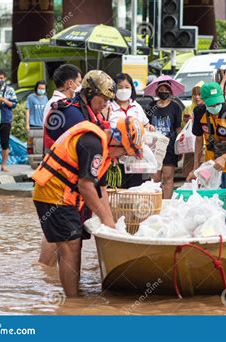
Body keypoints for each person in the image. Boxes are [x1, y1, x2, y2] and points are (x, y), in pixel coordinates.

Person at [32, 117, 145, 296]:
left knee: (75, 243)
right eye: (124, 152)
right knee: (71, 244)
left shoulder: (104, 151)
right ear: (116, 140)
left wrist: (112, 225)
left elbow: (101, 190)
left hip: (66, 197)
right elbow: (85, 185)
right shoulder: (93, 145)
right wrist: (106, 220)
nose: (122, 156)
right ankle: (72, 302)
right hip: (53, 195)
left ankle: (74, 293)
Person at [39, 70, 114, 268]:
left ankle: (57, 281)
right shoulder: (71, 113)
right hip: (57, 186)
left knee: (72, 238)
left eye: (108, 100)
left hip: (71, 187)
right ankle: (46, 275)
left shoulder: (87, 114)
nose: (106, 103)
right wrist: (106, 218)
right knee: (64, 237)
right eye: (103, 98)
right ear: (90, 93)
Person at [187, 82, 226, 188]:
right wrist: (196, 166)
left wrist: (224, 158)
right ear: (203, 100)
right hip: (211, 166)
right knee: (211, 200)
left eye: (218, 103)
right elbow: (198, 138)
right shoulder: (199, 112)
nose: (215, 107)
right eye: (211, 104)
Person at [109, 73, 154, 189]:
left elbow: (146, 124)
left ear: (132, 89)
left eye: (127, 87)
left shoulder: (136, 106)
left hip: (136, 158)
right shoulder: (108, 107)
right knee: (118, 191)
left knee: (136, 189)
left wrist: (149, 127)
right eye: (120, 87)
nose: (123, 90)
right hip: (116, 158)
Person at [147, 82, 182, 199]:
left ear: (171, 92)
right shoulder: (152, 106)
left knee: (168, 177)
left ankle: (166, 204)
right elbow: (146, 124)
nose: (164, 92)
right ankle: (155, 203)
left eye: (166, 90)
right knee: (155, 178)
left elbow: (177, 128)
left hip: (170, 147)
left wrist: (179, 147)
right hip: (154, 146)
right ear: (157, 92)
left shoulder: (175, 107)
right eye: (161, 89)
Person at [43, 64, 83, 151]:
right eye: (79, 82)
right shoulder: (57, 105)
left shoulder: (60, 102)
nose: (81, 86)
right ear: (69, 83)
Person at [181, 82, 204, 177]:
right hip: (190, 146)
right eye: (195, 94)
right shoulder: (188, 108)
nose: (197, 97)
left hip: (204, 146)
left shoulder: (207, 108)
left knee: (204, 174)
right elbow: (182, 126)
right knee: (190, 174)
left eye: (200, 94)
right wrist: (186, 121)